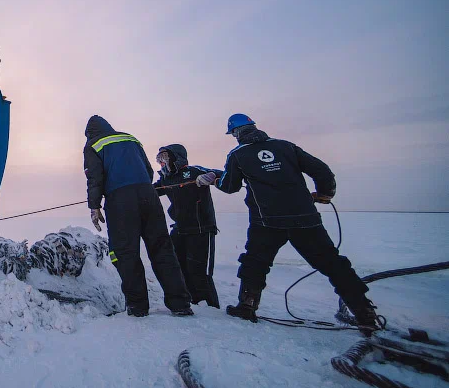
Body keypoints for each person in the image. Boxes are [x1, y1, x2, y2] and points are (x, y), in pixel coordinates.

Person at [208, 113, 381, 331]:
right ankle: (365, 312)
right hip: (306, 219)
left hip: (267, 222)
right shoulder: (286, 147)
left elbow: (229, 186)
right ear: (253, 126)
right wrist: (325, 194)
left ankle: (247, 305)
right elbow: (322, 170)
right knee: (334, 264)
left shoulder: (238, 154)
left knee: (255, 263)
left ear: (235, 133)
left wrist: (216, 180)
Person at [84, 115, 194, 317]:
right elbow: (149, 170)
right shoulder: (130, 138)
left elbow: (95, 176)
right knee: (162, 249)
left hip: (120, 201)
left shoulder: (93, 144)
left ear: (89, 133)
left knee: (125, 252)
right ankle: (180, 303)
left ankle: (137, 306)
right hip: (149, 195)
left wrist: (94, 206)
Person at [153, 144, 221, 308]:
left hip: (201, 227)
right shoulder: (166, 179)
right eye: (159, 159)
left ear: (176, 157)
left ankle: (208, 304)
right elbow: (150, 190)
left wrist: (212, 176)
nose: (162, 162)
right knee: (177, 265)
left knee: (197, 269)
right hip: (180, 227)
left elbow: (222, 175)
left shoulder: (194, 171)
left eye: (164, 158)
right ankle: (189, 299)